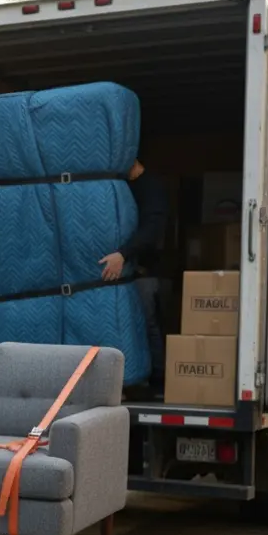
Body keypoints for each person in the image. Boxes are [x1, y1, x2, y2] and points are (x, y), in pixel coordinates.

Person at [97, 159, 168, 387]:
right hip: (127, 273)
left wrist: (123, 254)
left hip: (143, 272)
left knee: (145, 324)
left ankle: (157, 379)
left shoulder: (150, 188)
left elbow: (151, 230)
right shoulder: (121, 187)